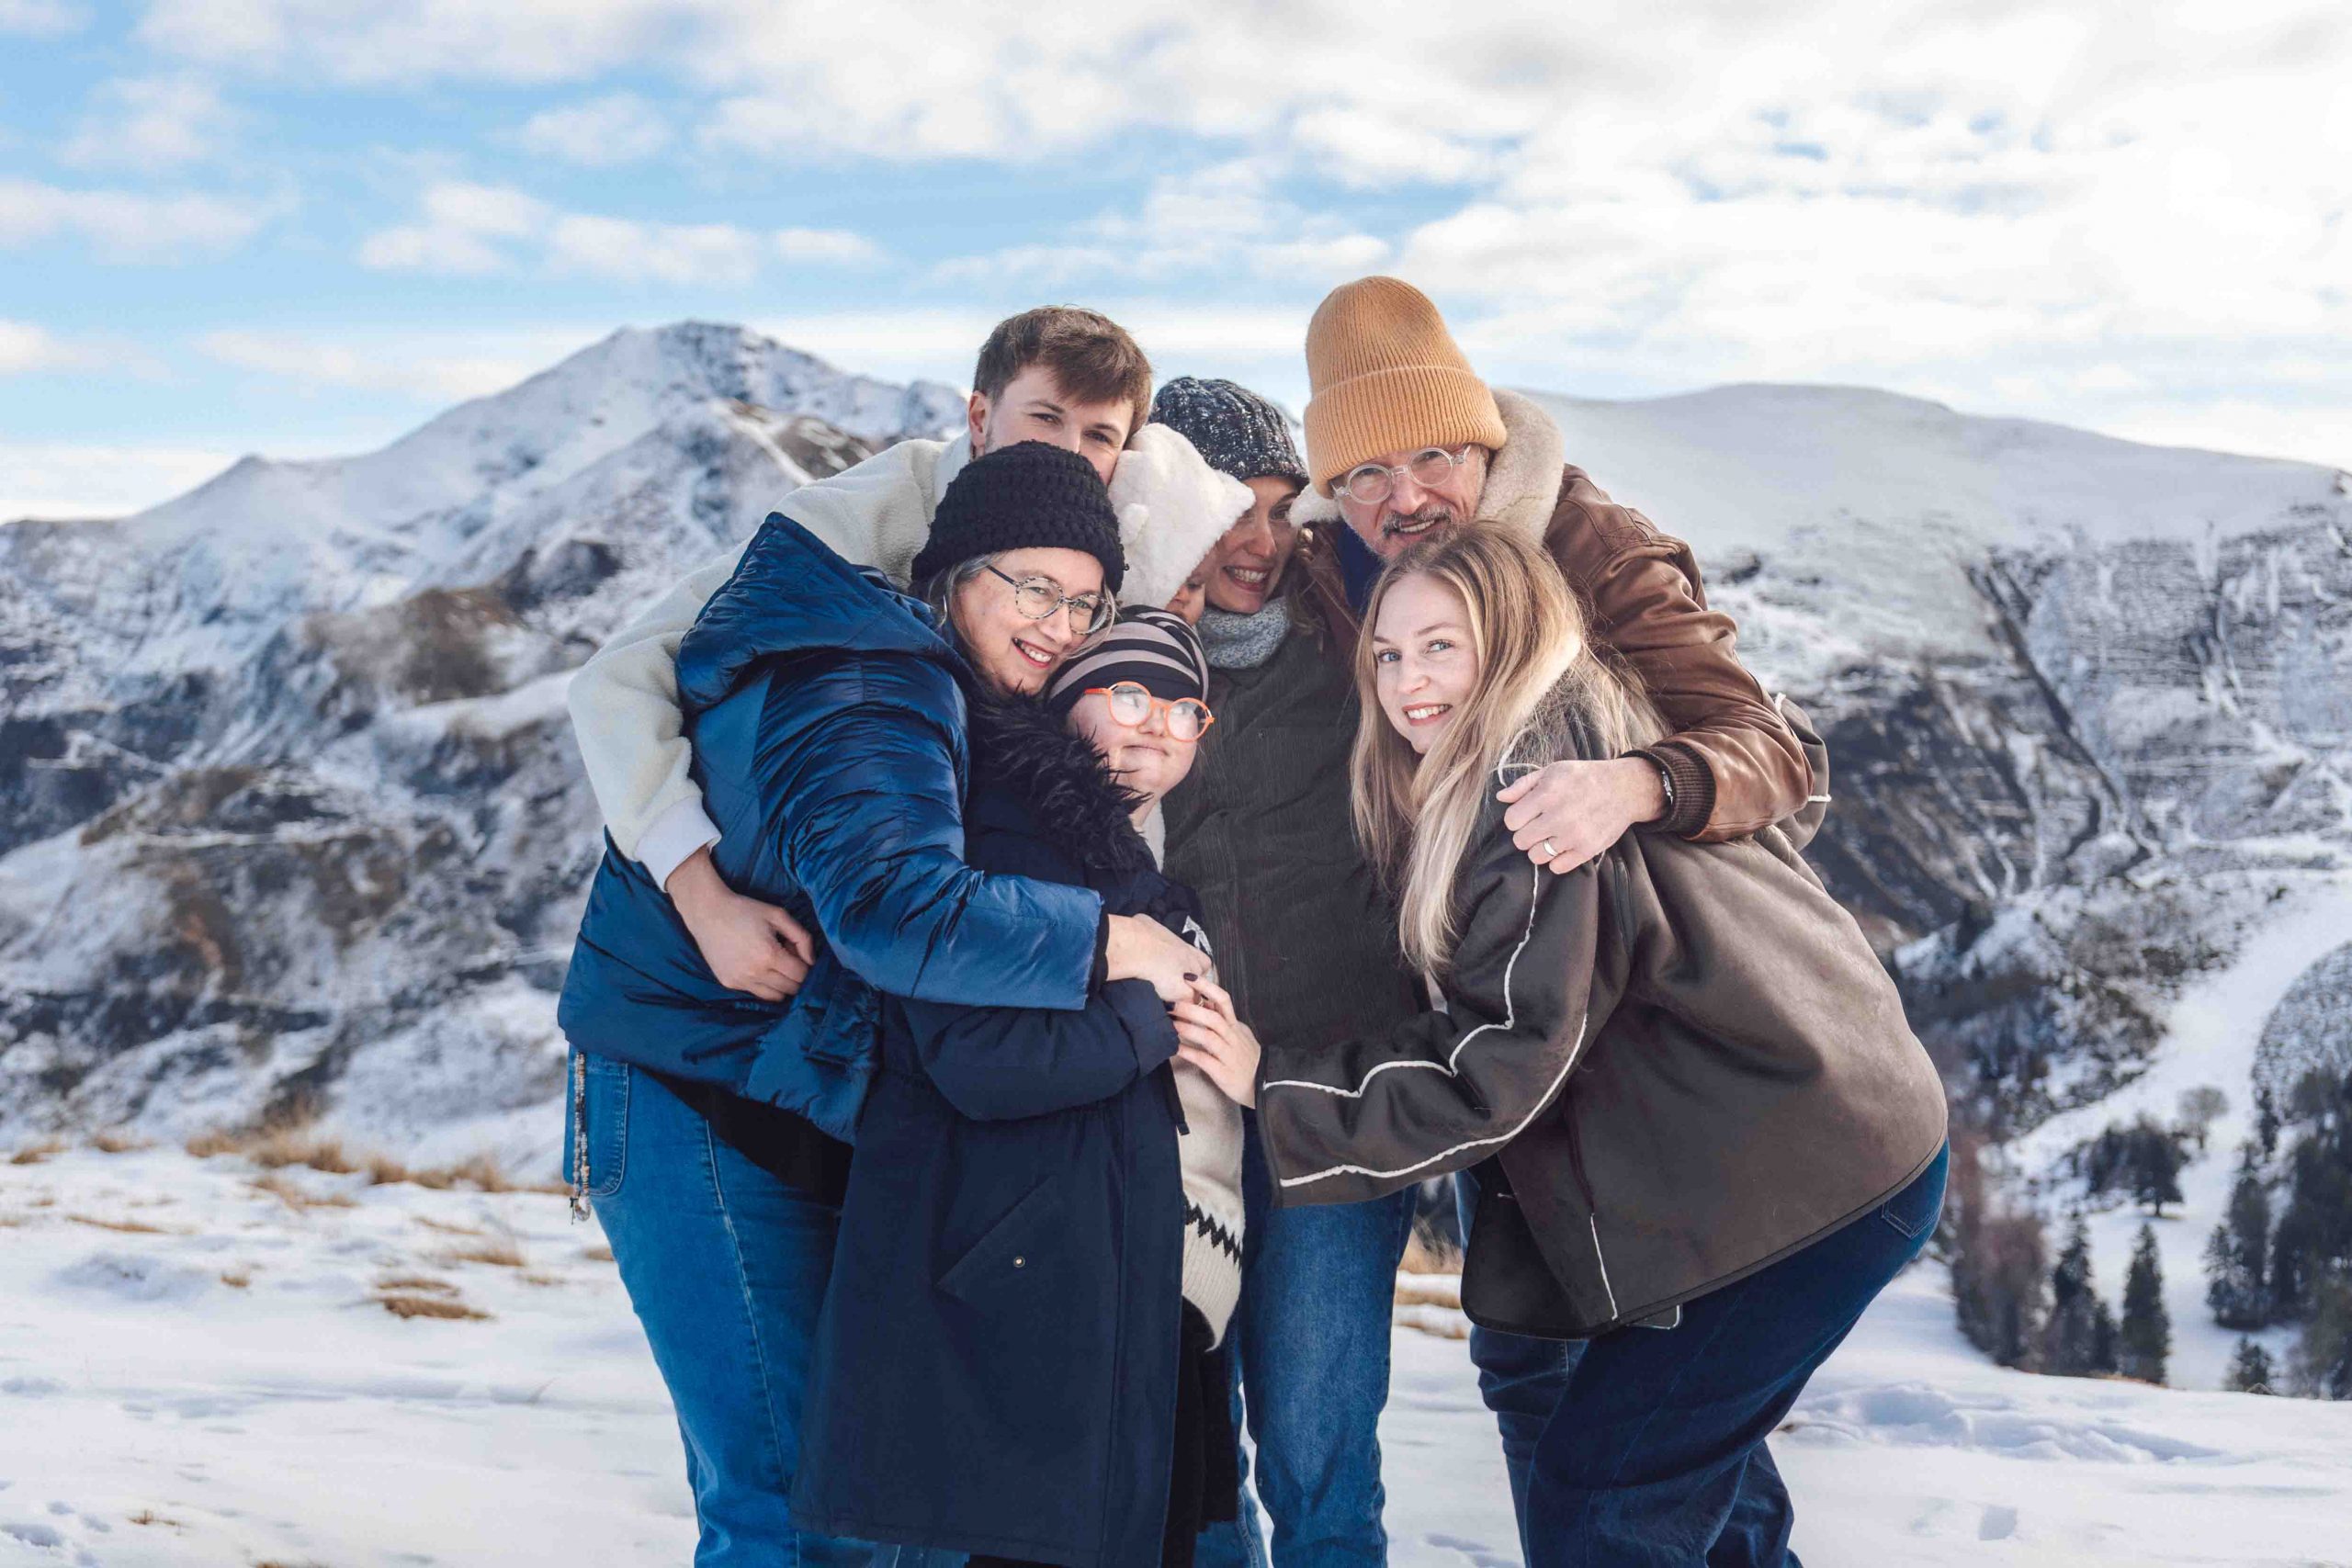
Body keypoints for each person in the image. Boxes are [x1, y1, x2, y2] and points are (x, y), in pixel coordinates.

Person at [1163, 276, 1815, 1566]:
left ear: (1484, 444)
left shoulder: (1585, 542)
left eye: (1431, 457)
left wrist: (1641, 780)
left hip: (1622, 1038)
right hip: (1463, 1038)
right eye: (1360, 474)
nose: (1400, 495)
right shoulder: (1318, 574)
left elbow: (1770, 746)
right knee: (1529, 1363)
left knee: (1645, 1418)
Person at [557, 439, 1222, 1565]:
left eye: (1085, 601)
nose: (1060, 622)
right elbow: (892, 907)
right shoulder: (872, 684)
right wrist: (1112, 945)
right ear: (952, 572)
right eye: (1029, 587)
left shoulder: (933, 683)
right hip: (692, 1093)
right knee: (789, 1503)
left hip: (764, 1089)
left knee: (857, 1503)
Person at [1252, 525, 1951, 1566]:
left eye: (1442, 646)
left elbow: (1494, 1065)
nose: (1408, 681)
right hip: (1773, 1168)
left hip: (1797, 1196)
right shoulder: (1558, 740)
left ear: (1512, 639)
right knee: (1694, 1483)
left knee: (1604, 1503)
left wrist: (1267, 1094)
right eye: (1388, 655)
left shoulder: (1532, 799)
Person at [796, 605, 1258, 1568]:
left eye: (1185, 709)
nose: (1157, 724)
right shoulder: (1006, 841)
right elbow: (978, 1059)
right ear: (1062, 702)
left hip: (1135, 1278)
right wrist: (1148, 1019)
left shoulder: (1133, 870)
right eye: (1128, 692)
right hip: (1049, 1290)